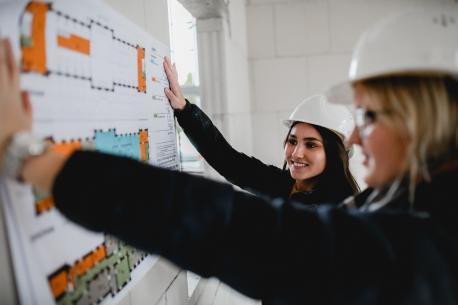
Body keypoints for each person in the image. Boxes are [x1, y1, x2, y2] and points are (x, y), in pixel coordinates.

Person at [1, 6, 458, 305]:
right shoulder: (393, 203)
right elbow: (235, 165)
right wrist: (184, 110)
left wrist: (34, 158)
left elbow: (233, 229)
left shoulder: (416, 245)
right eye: (293, 141)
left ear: (425, 119)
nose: (358, 136)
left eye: (371, 116)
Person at [163, 58, 359, 205]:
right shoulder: (288, 184)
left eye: (311, 144)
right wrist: (185, 109)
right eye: (292, 141)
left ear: (334, 154)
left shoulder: (340, 209)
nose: (296, 153)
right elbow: (228, 161)